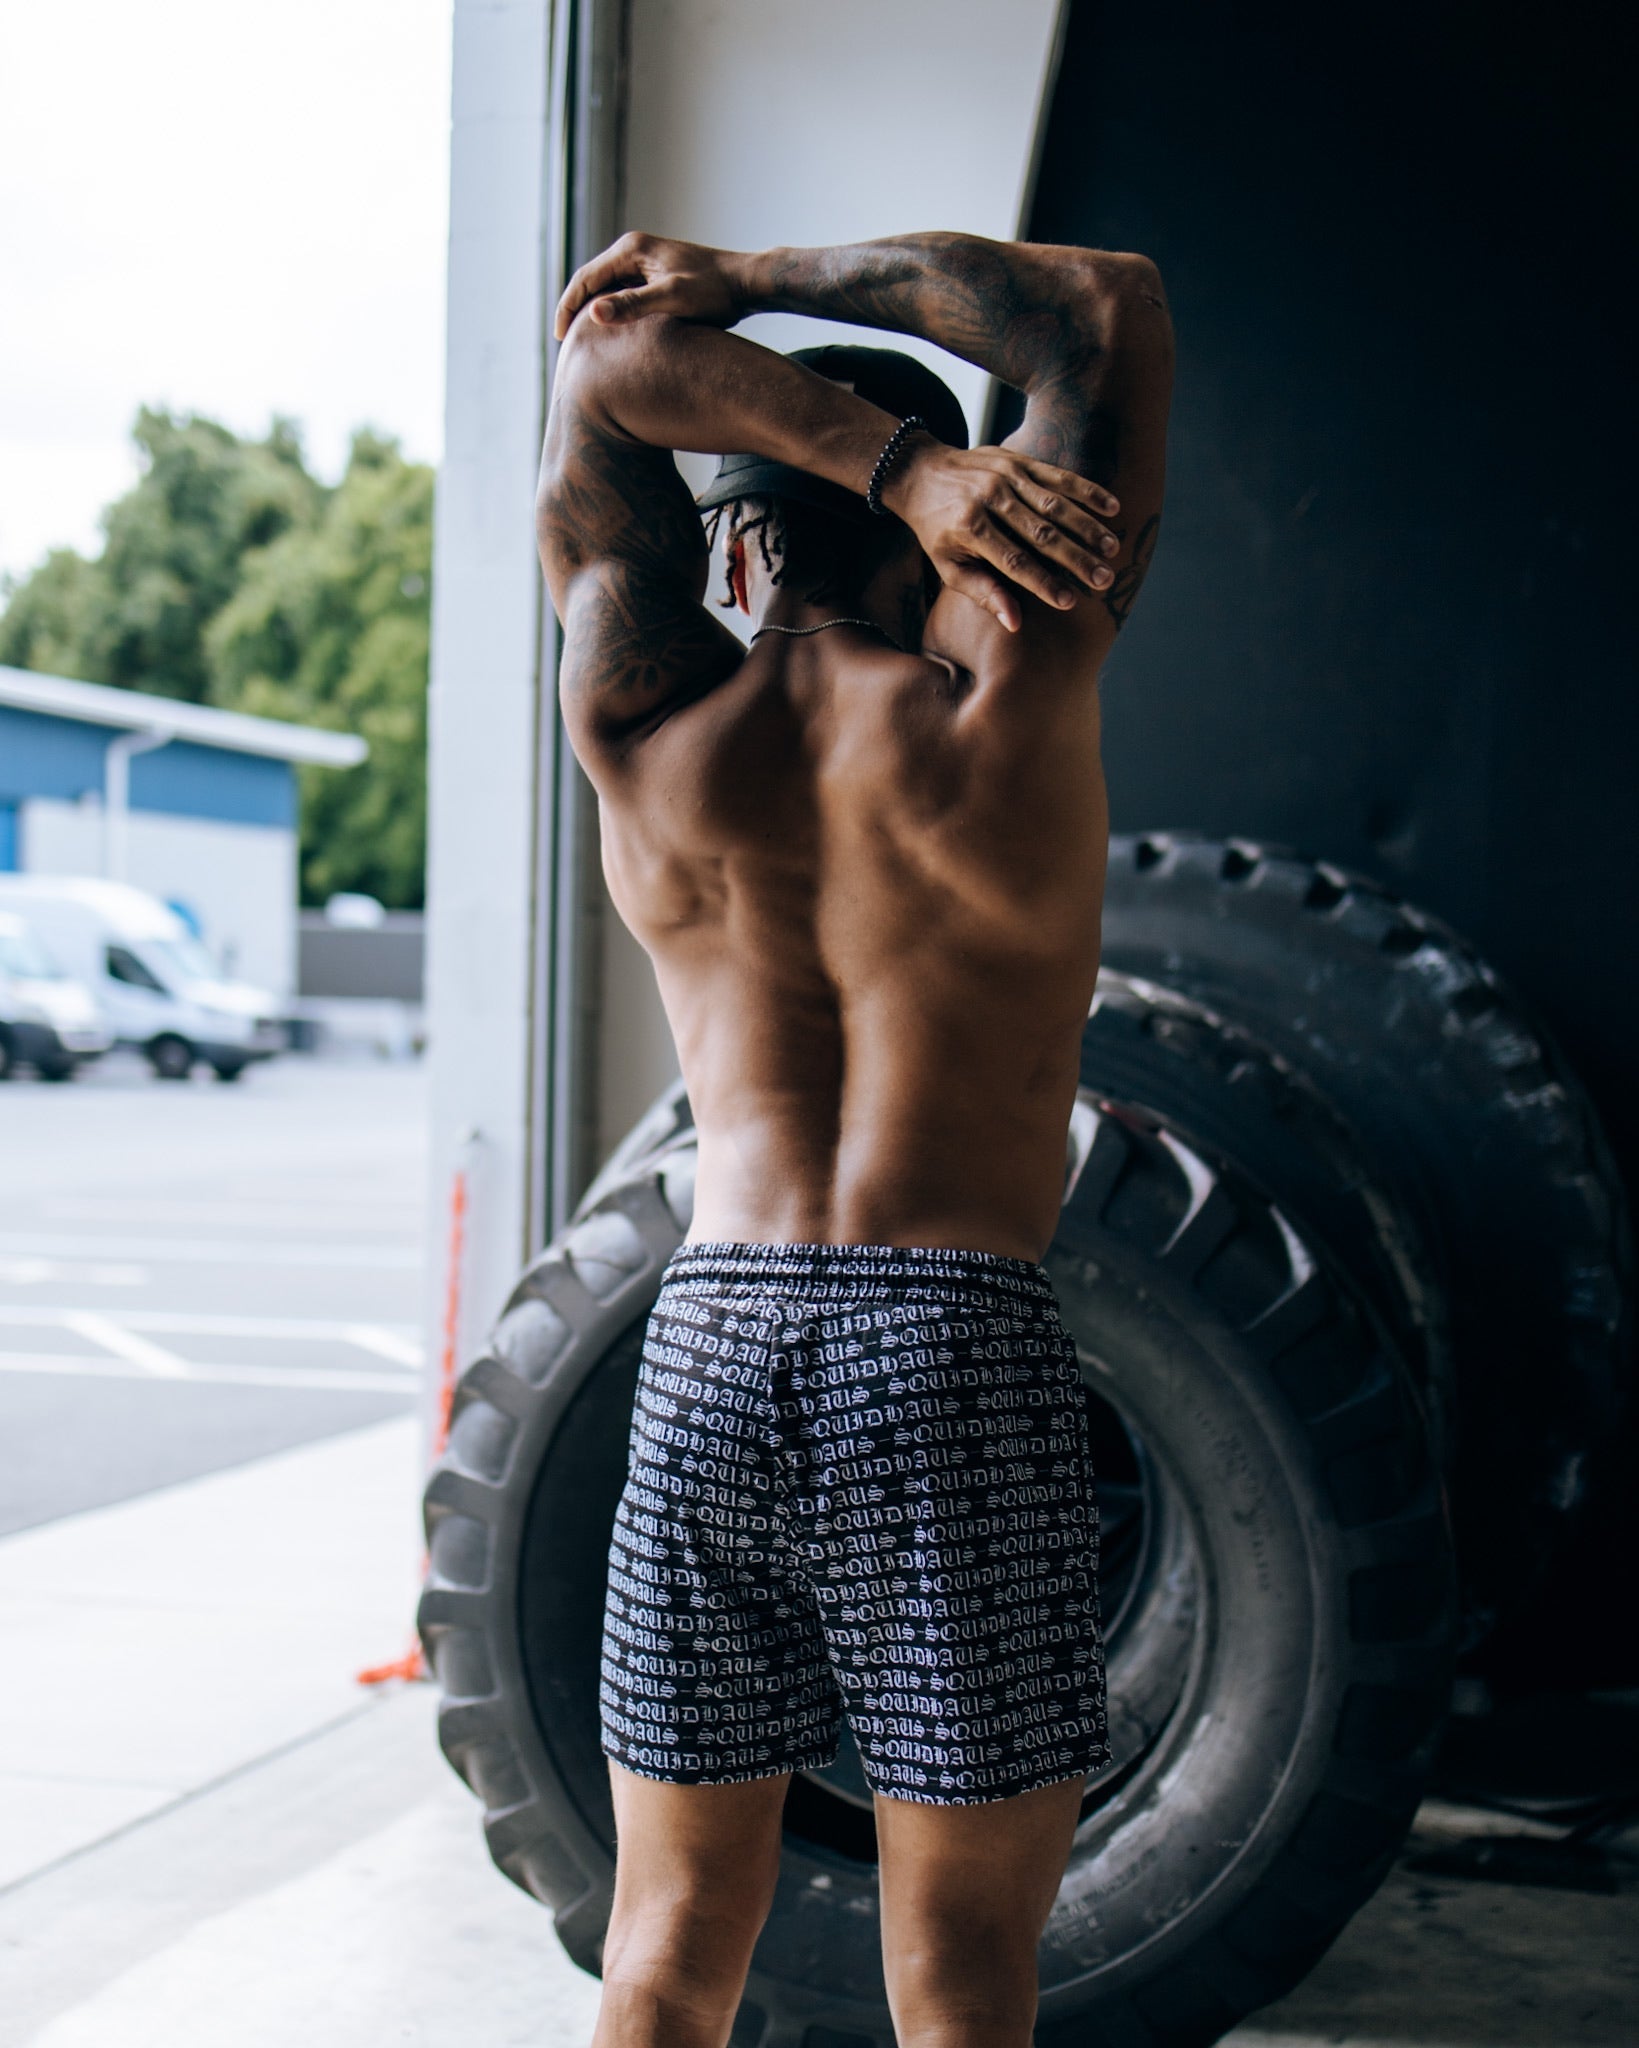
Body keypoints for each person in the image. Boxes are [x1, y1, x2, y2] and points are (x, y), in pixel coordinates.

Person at [538, 228, 1174, 2048]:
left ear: (734, 546)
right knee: (962, 1982)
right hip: (949, 1343)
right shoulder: (1007, 692)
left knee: (662, 1951)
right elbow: (1112, 304)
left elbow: (599, 377)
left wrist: (823, 409)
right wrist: (797, 302)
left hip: (716, 1333)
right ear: (953, 547)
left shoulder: (642, 724)